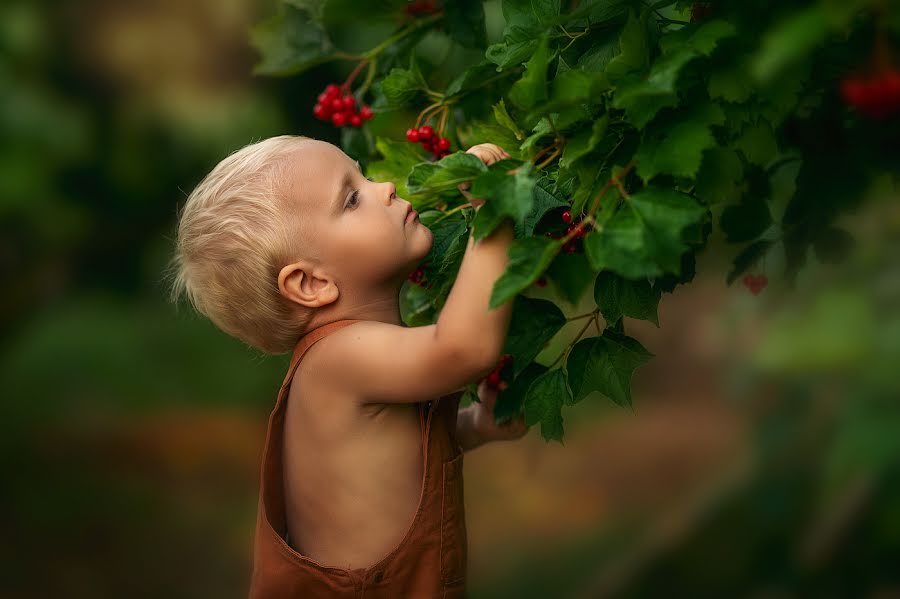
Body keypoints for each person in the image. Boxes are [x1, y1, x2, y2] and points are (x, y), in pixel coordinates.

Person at [167, 135, 530, 597]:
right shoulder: (339, 360)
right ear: (310, 283)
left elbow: (393, 462)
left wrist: (475, 426)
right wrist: (495, 213)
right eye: (353, 198)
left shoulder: (347, 365)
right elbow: (462, 349)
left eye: (364, 175)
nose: (386, 188)